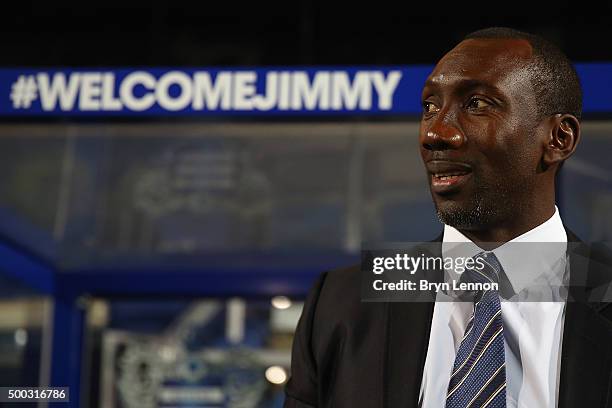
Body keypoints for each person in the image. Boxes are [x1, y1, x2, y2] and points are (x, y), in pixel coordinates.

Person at [283, 27, 612, 408]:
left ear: (558, 139)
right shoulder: (341, 301)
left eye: (476, 104)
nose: (436, 133)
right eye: (430, 107)